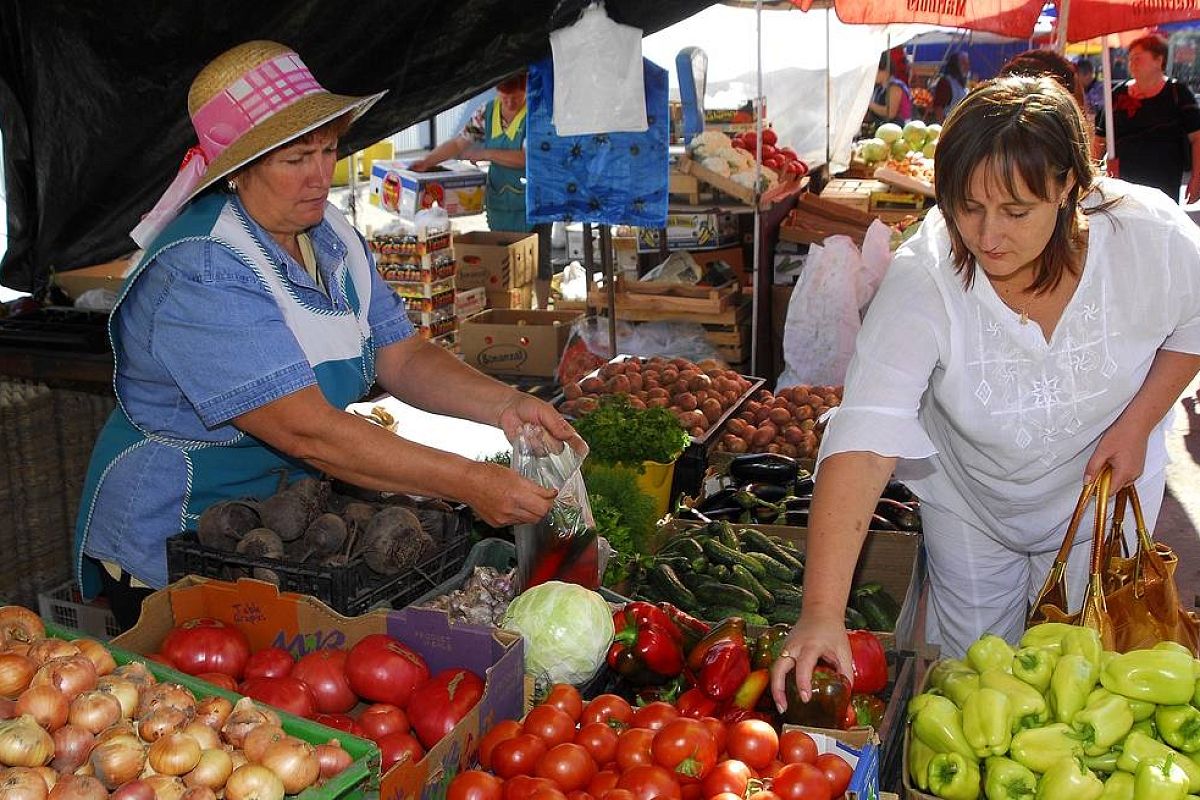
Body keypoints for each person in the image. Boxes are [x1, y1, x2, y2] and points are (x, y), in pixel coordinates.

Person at [75, 41, 581, 629]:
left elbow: (403, 355)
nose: (321, 175)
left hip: (283, 526)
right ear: (238, 171)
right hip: (178, 534)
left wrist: (508, 405)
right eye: (295, 159)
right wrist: (471, 482)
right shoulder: (204, 267)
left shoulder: (330, 233)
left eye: (328, 149)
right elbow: (307, 431)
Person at [769, 75, 1200, 708]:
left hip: (1103, 500)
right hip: (972, 506)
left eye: (1016, 211)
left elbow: (1192, 322)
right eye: (967, 207)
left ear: (1069, 188)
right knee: (976, 687)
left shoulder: (1150, 237)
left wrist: (1139, 423)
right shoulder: (925, 276)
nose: (988, 235)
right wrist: (821, 611)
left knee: (1094, 690)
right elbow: (864, 435)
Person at [410, 74, 555, 308]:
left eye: (516, 98)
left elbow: (527, 158)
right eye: (504, 97)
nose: (509, 103)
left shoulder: (537, 114)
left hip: (535, 198)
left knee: (539, 259)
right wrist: (428, 161)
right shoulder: (486, 112)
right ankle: (511, 307)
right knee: (504, 258)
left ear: (526, 90)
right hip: (501, 199)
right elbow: (459, 143)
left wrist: (486, 153)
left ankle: (542, 310)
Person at [1096, 35, 1200, 204]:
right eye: (1130, 59)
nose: (1132, 64)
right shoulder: (1116, 94)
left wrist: (1197, 178)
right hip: (1123, 184)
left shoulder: (1178, 94)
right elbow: (1100, 140)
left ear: (1159, 60)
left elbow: (1197, 138)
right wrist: (1094, 177)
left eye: (1138, 58)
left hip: (1165, 185)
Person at [866, 51, 914, 129]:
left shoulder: (895, 87)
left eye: (874, 71)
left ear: (885, 70)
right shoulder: (879, 87)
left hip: (900, 130)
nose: (872, 74)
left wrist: (869, 104)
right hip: (884, 127)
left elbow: (890, 113)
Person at [929, 51, 969, 122]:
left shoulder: (961, 84)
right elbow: (938, 108)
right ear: (955, 65)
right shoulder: (946, 83)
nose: (967, 66)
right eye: (963, 63)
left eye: (967, 63)